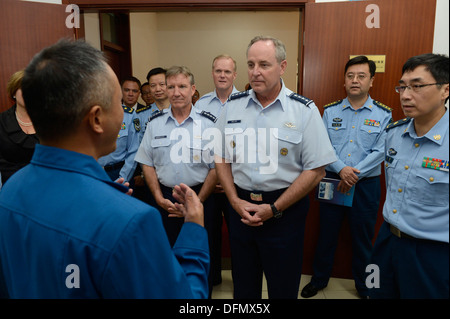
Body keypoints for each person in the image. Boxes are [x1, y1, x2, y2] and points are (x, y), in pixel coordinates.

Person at [0, 39, 209, 299]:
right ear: (97, 118)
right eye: (119, 103)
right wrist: (193, 232)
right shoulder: (134, 221)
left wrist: (109, 200)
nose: (124, 114)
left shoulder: (8, 194)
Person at [214, 36, 337, 299]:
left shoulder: (303, 110)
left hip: (284, 214)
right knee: (244, 288)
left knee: (282, 287)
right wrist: (234, 201)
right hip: (241, 209)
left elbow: (316, 170)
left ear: (282, 67)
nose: (255, 72)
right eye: (250, 64)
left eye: (264, 64)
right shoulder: (232, 107)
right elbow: (220, 158)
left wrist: (275, 208)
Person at [301, 56, 392, 299]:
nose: (355, 80)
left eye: (361, 76)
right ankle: (319, 280)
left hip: (366, 185)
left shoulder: (383, 114)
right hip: (332, 180)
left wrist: (353, 174)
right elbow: (323, 145)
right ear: (344, 81)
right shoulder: (330, 111)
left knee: (363, 239)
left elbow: (381, 150)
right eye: (350, 76)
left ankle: (366, 287)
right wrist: (342, 169)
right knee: (326, 235)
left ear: (371, 81)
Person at [369, 53, 449, 299]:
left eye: (417, 86)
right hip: (387, 241)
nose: (405, 95)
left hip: (432, 253)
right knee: (376, 294)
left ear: (445, 89)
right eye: (402, 87)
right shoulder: (394, 133)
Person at [135, 65, 217, 295]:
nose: (176, 92)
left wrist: (197, 203)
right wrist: (159, 197)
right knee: (164, 256)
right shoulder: (155, 123)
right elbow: (147, 163)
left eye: (182, 86)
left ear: (193, 90)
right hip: (165, 201)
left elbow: (215, 169)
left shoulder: (209, 124)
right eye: (171, 87)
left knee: (200, 256)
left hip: (201, 197)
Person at [195, 54, 239, 286]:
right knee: (209, 234)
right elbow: (199, 143)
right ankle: (211, 279)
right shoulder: (201, 104)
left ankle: (242, 281)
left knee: (239, 237)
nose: (222, 75)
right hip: (210, 183)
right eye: (218, 71)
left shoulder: (246, 101)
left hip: (236, 183)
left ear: (235, 75)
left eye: (227, 71)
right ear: (212, 73)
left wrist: (227, 177)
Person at [97, 77, 141, 184]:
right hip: (93, 172)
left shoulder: (129, 115)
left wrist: (123, 178)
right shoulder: (88, 113)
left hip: (117, 172)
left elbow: (133, 151)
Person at [0, 70, 39, 186]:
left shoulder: (52, 121)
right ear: (13, 93)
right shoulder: (1, 122)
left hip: (46, 188)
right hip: (12, 189)